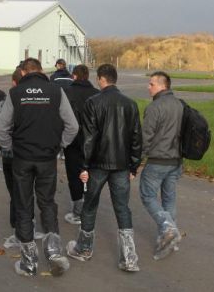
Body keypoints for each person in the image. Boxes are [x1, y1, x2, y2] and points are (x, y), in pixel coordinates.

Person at [0, 57, 79, 277]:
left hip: (22, 158)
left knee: (23, 204)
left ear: (23, 72)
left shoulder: (15, 93)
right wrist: (60, 145)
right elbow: (72, 125)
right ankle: (53, 253)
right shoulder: (56, 91)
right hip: (47, 158)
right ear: (41, 70)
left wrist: (10, 148)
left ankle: (29, 262)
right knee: (47, 202)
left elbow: (0, 130)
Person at [67, 63, 142, 272]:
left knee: (90, 205)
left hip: (97, 165)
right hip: (121, 165)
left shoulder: (93, 102)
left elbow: (89, 138)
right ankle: (129, 257)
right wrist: (134, 166)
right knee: (122, 207)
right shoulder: (130, 104)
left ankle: (84, 248)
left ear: (101, 79)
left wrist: (83, 166)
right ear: (115, 78)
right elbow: (136, 138)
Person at [139, 71, 184, 260]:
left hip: (158, 160)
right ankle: (169, 238)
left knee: (147, 195)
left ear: (162, 85)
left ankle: (168, 228)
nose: (148, 87)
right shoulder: (179, 105)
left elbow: (146, 137)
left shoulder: (155, 107)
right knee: (169, 199)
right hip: (176, 160)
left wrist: (136, 159)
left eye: (151, 84)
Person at [61, 64, 99, 225]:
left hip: (72, 140)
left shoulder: (66, 92)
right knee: (90, 173)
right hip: (92, 140)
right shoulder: (97, 94)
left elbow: (61, 116)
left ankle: (78, 210)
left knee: (73, 174)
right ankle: (88, 208)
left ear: (74, 76)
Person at [0, 68, 23, 249]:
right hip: (30, 154)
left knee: (16, 192)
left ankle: (19, 229)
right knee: (25, 191)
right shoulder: (35, 103)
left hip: (12, 155)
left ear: (13, 82)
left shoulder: (4, 104)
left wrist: (4, 147)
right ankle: (25, 224)